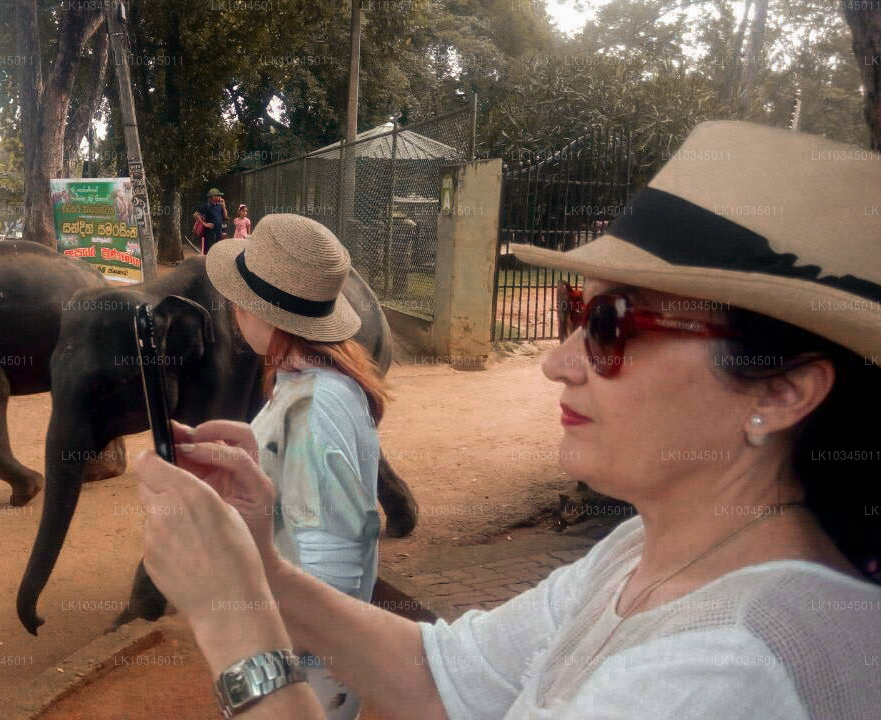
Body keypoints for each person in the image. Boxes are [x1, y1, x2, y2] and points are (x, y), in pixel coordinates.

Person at [132, 120, 881, 719]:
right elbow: (444, 678)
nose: (558, 361)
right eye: (573, 311)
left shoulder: (730, 671)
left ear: (780, 393)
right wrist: (261, 571)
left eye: (613, 324)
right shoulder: (640, 552)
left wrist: (238, 631)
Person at [193, 213, 385, 719]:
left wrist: (261, 674)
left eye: (242, 300)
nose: (235, 310)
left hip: (304, 677)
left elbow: (330, 573)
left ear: (265, 313)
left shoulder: (314, 404)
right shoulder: (307, 383)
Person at [193, 188, 228, 254]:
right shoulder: (206, 206)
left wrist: (223, 206)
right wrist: (204, 224)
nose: (220, 197)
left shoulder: (219, 206)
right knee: (209, 252)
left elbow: (225, 217)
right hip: (209, 234)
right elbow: (195, 215)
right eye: (218, 195)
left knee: (218, 252)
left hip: (218, 232)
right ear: (212, 196)